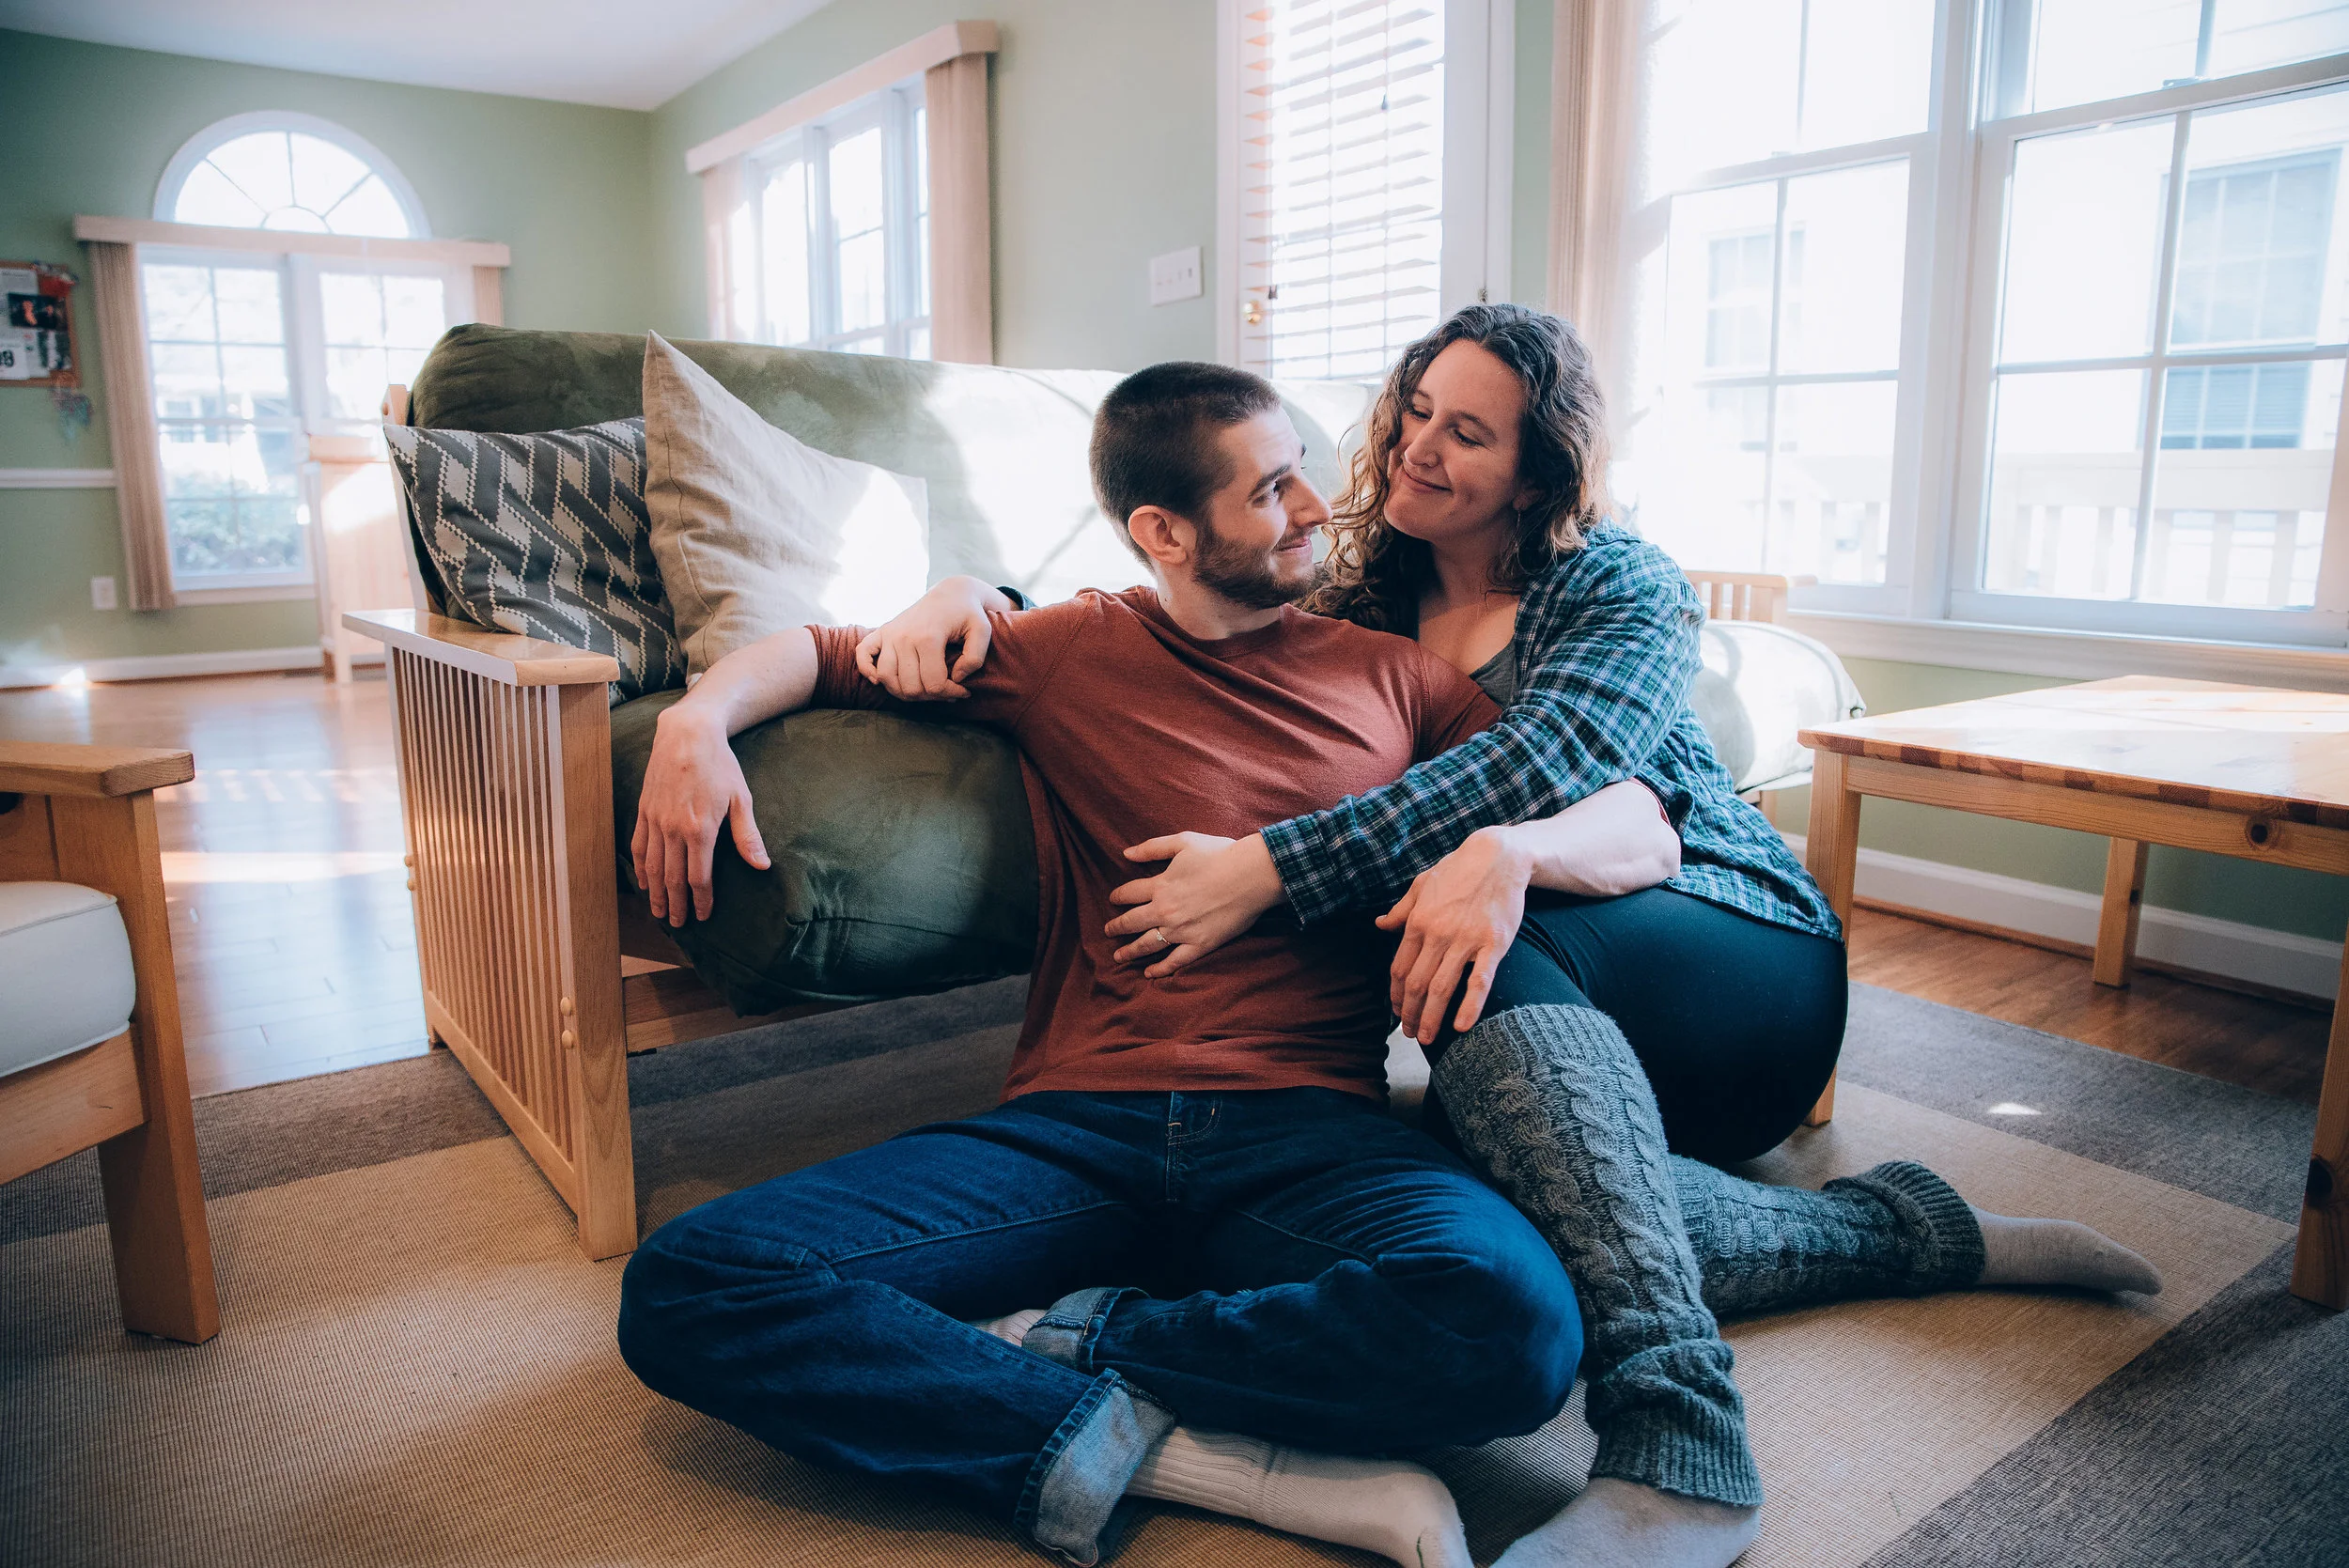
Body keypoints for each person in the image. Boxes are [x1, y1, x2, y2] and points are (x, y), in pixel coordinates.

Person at [860, 310, 2163, 1568]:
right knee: (1474, 1215)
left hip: (1728, 956)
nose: (1418, 447)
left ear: (1539, 470)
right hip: (1544, 1015)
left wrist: (1308, 866)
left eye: (1469, 433)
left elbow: (1562, 769)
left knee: (1472, 939)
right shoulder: (1363, 591)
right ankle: (1903, 1233)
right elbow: (1182, 601)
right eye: (1417, 410)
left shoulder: (1618, 581)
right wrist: (982, 591)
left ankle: (1681, 1438)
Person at [619, 363, 1591, 1568]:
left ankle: (1066, 1343)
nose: (1315, 508)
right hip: (1078, 1126)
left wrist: (1512, 851)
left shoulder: (1397, 678)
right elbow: (823, 655)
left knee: (1514, 1323)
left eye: (1300, 472)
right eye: (1270, 490)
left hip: (1311, 1130)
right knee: (697, 1280)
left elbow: (1602, 800)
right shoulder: (1071, 648)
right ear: (1164, 533)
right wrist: (695, 720)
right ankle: (1194, 1459)